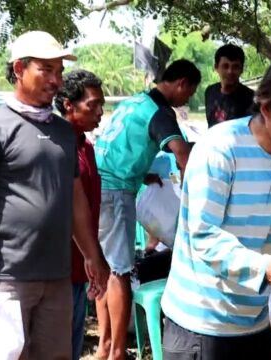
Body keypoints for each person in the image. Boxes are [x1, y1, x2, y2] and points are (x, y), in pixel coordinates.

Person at [160, 55, 271, 360]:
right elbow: (203, 236)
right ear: (267, 109)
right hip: (202, 322)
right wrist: (265, 269)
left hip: (256, 319)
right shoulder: (220, 149)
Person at [0, 31, 109, 359]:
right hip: (6, 279)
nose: (56, 80)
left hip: (57, 278)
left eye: (58, 71)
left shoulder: (63, 133)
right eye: (46, 69)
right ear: (19, 69)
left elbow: (75, 199)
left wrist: (92, 255)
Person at [93, 59, 200, 359]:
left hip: (97, 186)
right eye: (188, 93)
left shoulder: (134, 102)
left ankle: (103, 347)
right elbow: (183, 155)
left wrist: (145, 174)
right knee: (120, 271)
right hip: (116, 193)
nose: (186, 100)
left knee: (104, 270)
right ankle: (117, 352)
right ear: (181, 84)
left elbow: (125, 145)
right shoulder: (160, 113)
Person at [55, 69, 106, 360]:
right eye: (93, 105)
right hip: (56, 270)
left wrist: (95, 256)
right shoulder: (55, 147)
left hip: (78, 269)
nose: (100, 112)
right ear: (68, 105)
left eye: (102, 105)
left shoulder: (85, 147)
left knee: (72, 346)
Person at [204, 44, 255, 128]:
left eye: (235, 67)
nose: (230, 71)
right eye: (225, 66)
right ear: (216, 67)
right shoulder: (210, 92)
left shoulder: (251, 98)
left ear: (242, 69)